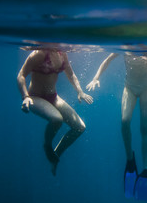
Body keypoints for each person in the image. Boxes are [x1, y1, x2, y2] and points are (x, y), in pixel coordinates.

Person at [87, 48, 147, 200]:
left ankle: (146, 169)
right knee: (125, 121)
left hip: (146, 88)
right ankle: (130, 160)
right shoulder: (125, 46)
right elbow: (107, 60)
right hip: (129, 87)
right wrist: (96, 78)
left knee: (144, 127)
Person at [17, 47, 93, 176]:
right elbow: (21, 75)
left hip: (53, 97)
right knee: (56, 119)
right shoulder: (39, 54)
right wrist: (25, 97)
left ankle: (55, 156)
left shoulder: (62, 54)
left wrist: (80, 91)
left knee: (80, 127)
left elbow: (71, 74)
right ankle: (47, 146)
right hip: (35, 97)